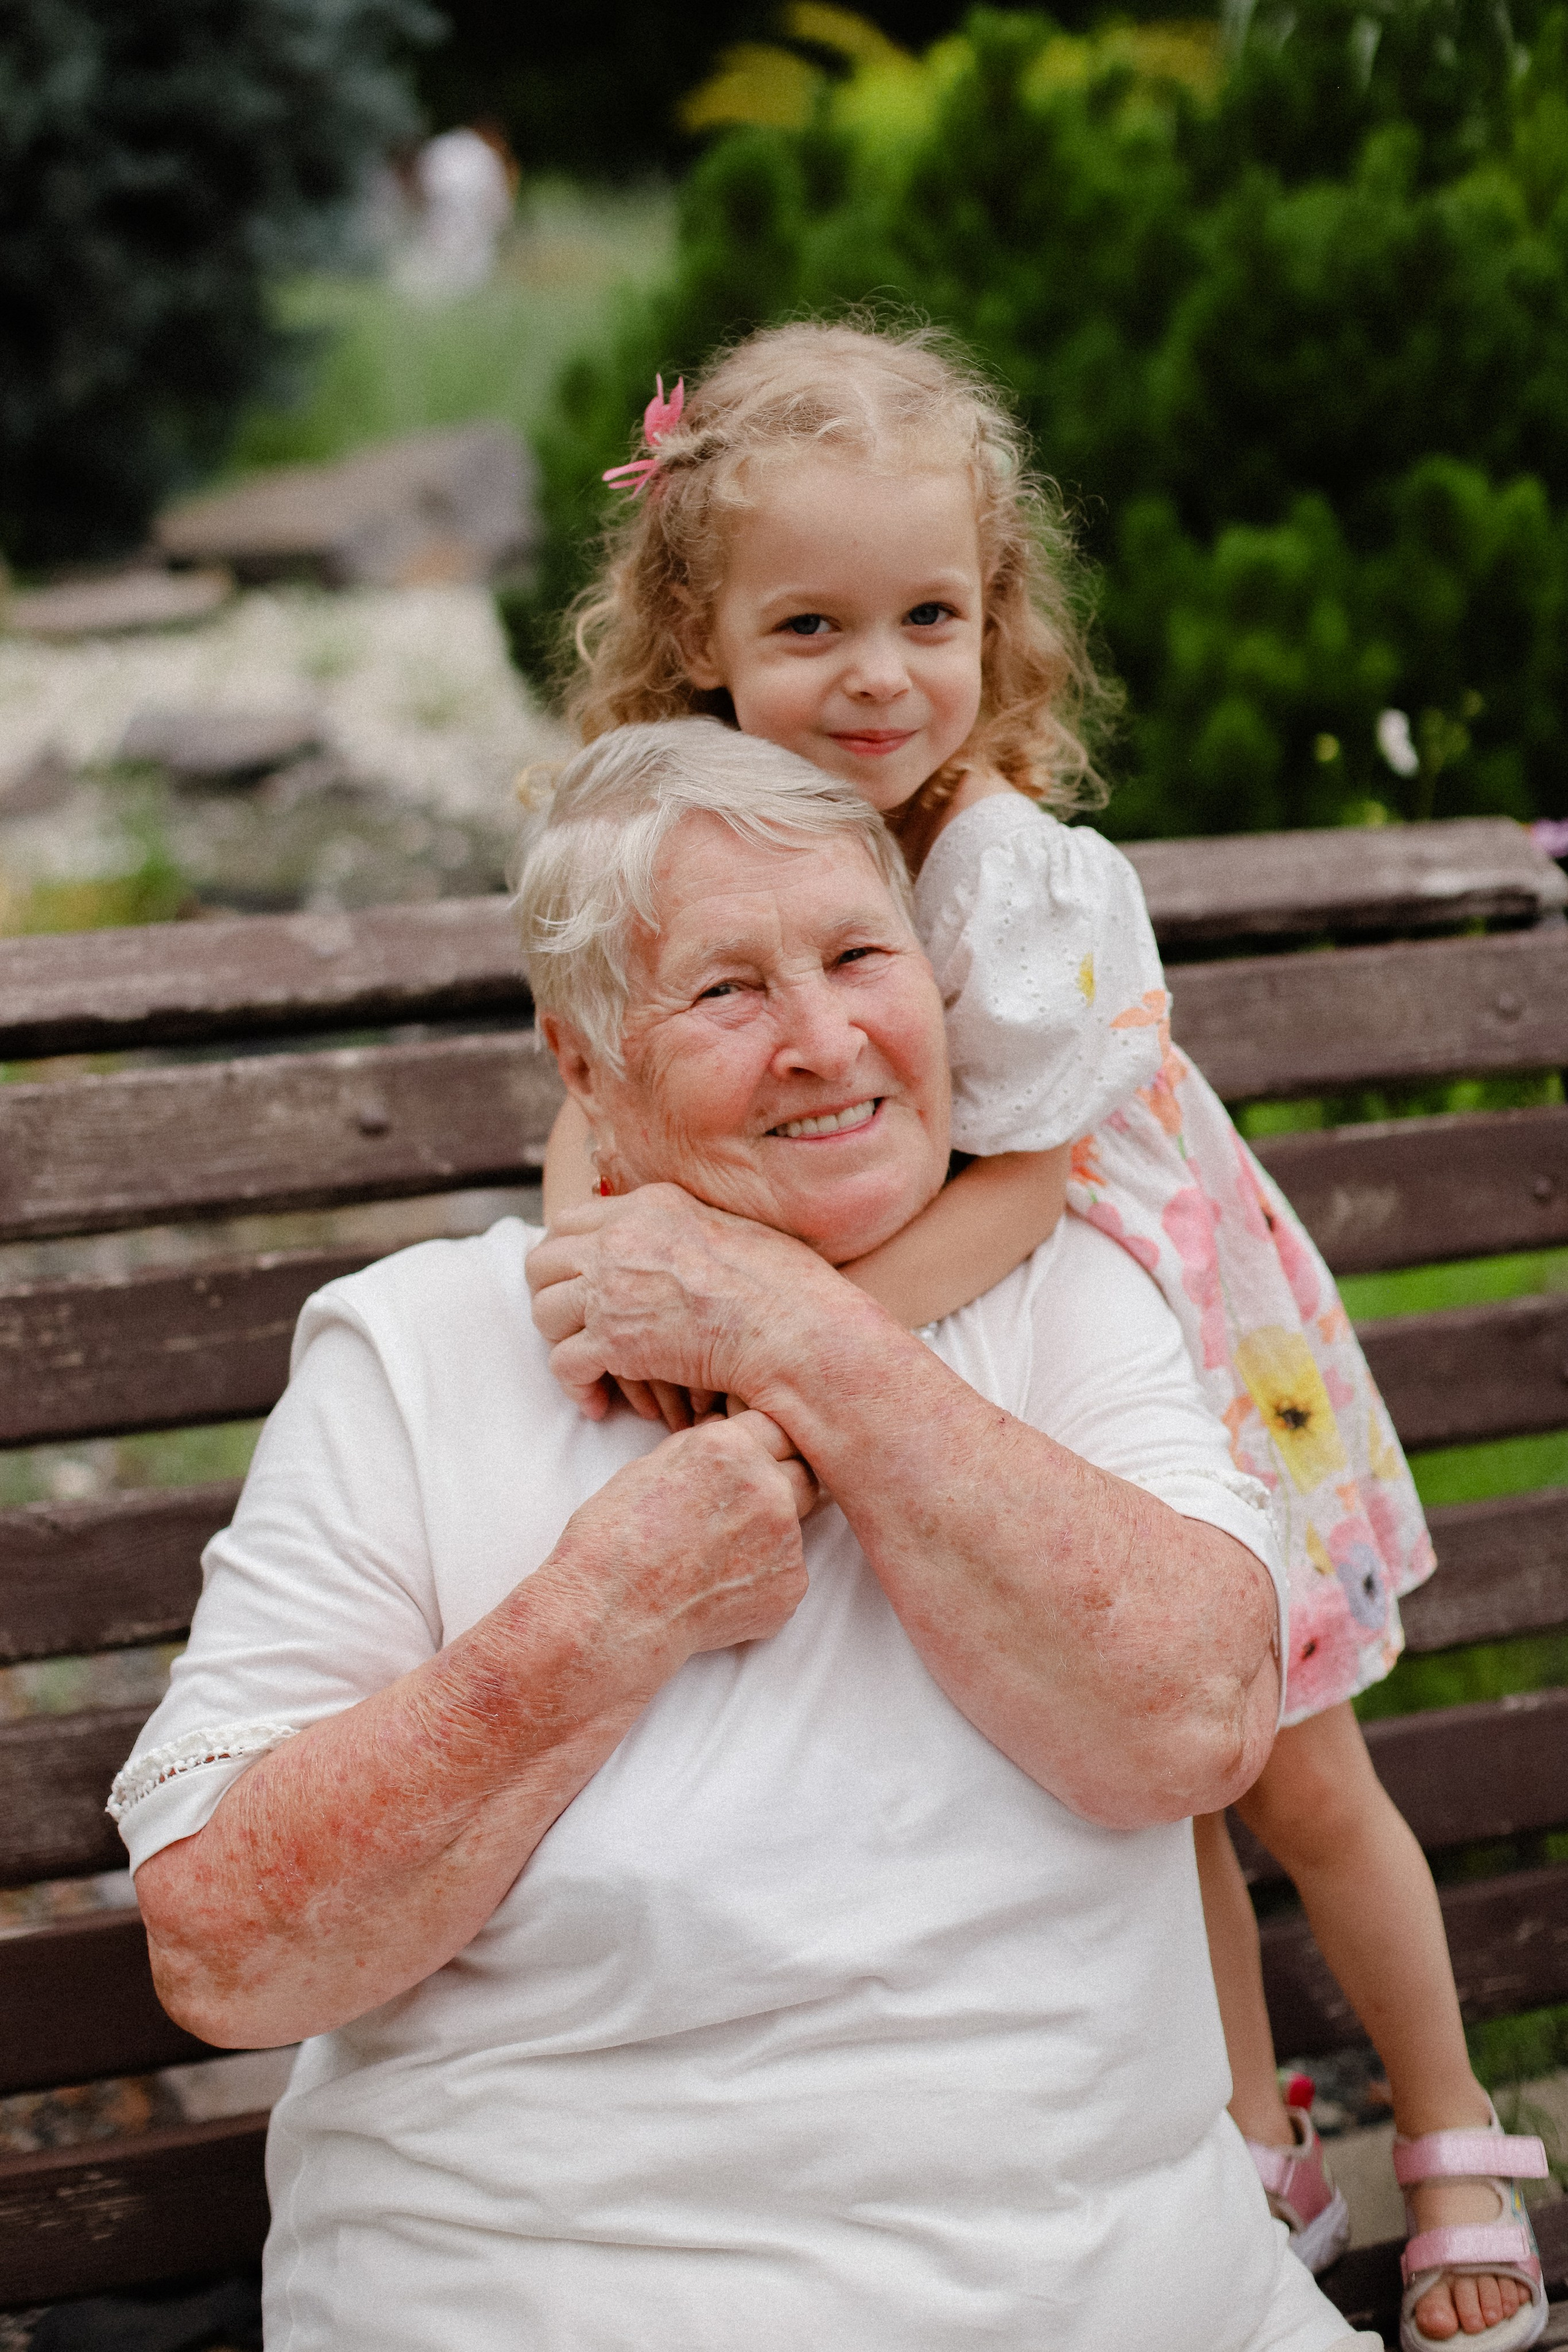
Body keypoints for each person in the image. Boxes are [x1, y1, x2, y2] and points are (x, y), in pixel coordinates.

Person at [116, 721, 1378, 2352]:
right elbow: (230, 1956)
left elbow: (1197, 1721)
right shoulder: (414, 1350)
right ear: (585, 1069)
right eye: (726, 993)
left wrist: (808, 1344)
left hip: (1128, 2297)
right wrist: (597, 1618)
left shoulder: (1076, 1298)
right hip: (566, 2296)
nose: (826, 1040)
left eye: (863, 956)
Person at [541, 322, 1548, 2352]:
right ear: (699, 634)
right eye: (810, 623)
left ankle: (1447, 2128)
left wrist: (787, 1351)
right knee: (1142, 1790)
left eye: (930, 614)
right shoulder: (700, 845)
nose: (880, 674)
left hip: (1165, 1358)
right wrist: (599, 1272)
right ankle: (1242, 2145)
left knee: (1294, 1772)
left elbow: (1023, 1184)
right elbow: (598, 1084)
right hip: (973, 1380)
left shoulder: (1016, 873)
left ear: (1000, 624)